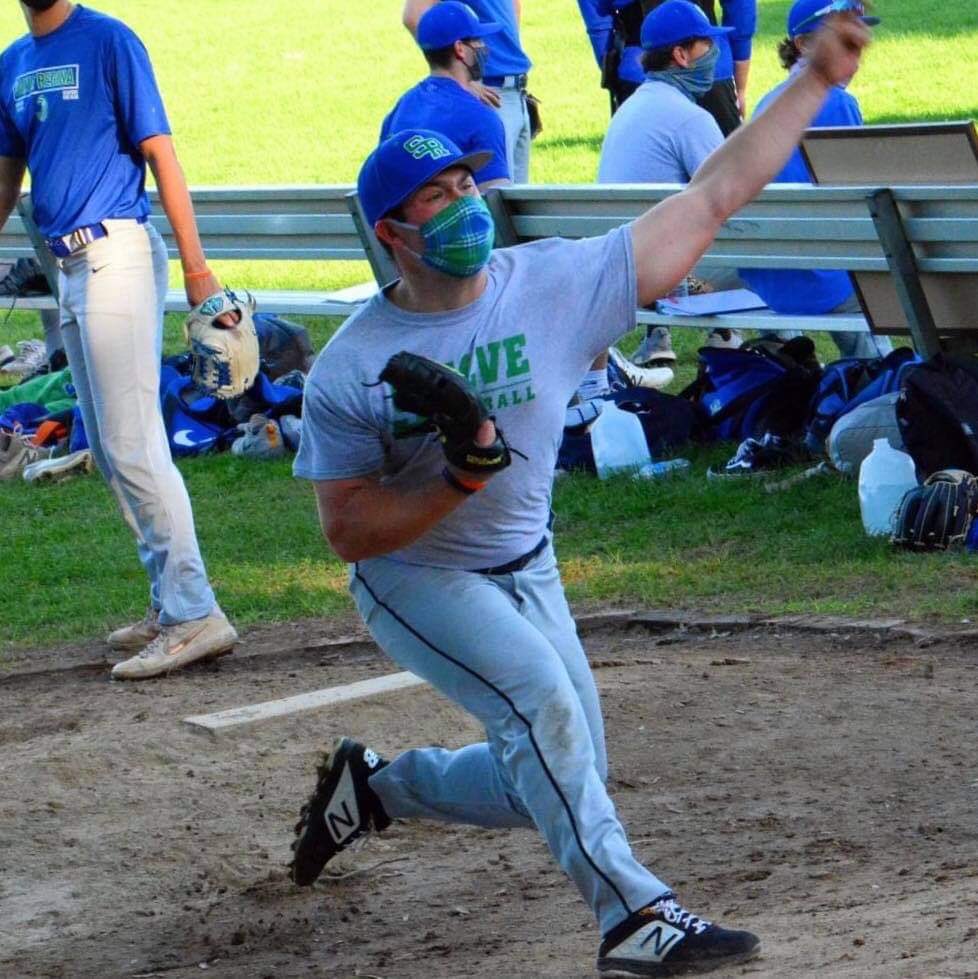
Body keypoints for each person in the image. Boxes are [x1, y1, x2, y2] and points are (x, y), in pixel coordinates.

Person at [288, 11, 870, 976]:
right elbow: (347, 529)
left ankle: (379, 789)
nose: (466, 202)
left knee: (551, 774)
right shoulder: (351, 370)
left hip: (528, 560)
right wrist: (456, 476)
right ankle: (635, 914)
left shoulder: (553, 282)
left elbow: (717, 192)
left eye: (468, 179)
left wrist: (811, 77)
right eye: (437, 196)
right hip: (414, 576)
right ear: (393, 233)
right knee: (541, 706)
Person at [0, 0, 238, 680]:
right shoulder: (11, 65)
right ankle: (172, 605)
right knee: (106, 447)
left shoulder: (109, 41)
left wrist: (198, 270)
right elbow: (6, 176)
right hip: (66, 267)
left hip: (118, 255)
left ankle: (196, 611)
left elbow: (161, 153)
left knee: (133, 444)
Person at [738, 0, 892, 360]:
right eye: (843, 41)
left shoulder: (767, 103)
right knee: (867, 295)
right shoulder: (837, 103)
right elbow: (866, 197)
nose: (855, 53)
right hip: (823, 279)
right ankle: (884, 379)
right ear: (803, 44)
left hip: (770, 277)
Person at [597, 0, 732, 366]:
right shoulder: (689, 118)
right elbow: (734, 203)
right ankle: (761, 346)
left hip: (622, 265)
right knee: (777, 260)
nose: (715, 53)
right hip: (667, 273)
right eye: (707, 44)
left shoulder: (630, 108)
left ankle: (705, 338)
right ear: (681, 55)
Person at [382, 2, 511, 191]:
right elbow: (494, 199)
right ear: (460, 49)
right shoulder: (480, 117)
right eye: (477, 40)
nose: (484, 47)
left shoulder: (401, 109)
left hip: (405, 219)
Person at [403, 0, 533, 183]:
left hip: (516, 90)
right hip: (488, 93)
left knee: (518, 201)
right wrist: (461, 77)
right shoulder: (479, 115)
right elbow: (413, 16)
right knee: (496, 193)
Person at [580, 0, 754, 130]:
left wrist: (612, 69)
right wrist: (740, 87)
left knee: (645, 170)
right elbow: (741, 12)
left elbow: (598, 22)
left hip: (640, 69)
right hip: (708, 64)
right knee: (726, 171)